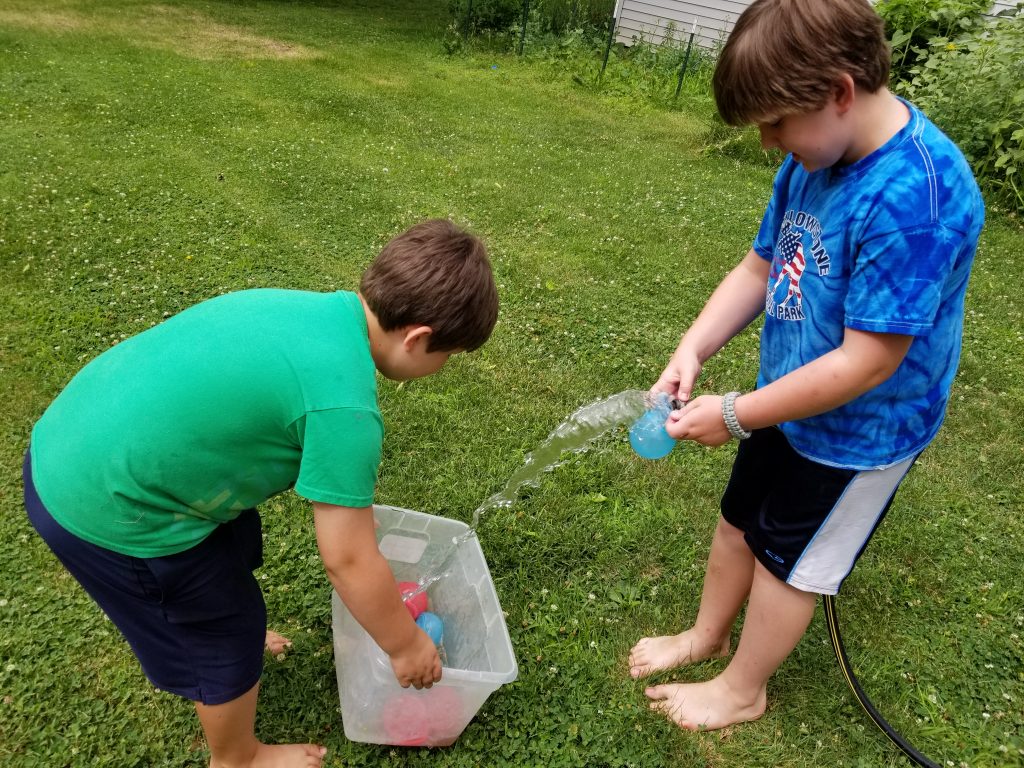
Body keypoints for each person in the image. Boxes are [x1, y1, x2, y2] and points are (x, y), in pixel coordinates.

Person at [627, 0, 984, 733]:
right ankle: (707, 635)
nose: (767, 143)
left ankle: (741, 689)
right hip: (784, 401)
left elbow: (864, 362)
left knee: (786, 562)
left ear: (840, 92)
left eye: (776, 123)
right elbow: (761, 268)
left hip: (861, 432)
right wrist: (694, 349)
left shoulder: (917, 197)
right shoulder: (812, 159)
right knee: (737, 524)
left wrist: (733, 413)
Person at [24, 219, 499, 767]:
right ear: (418, 338)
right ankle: (237, 757)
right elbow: (347, 558)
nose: (444, 368)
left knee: (234, 546)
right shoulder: (344, 409)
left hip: (73, 435)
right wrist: (404, 643)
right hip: (110, 506)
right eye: (450, 355)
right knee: (220, 628)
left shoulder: (304, 309)